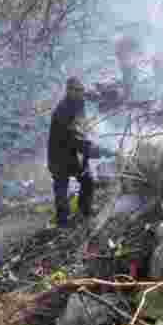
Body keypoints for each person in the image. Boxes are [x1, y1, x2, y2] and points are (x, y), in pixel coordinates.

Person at [48, 77, 107, 228]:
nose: (81, 93)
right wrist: (92, 150)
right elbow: (73, 139)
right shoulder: (62, 112)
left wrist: (90, 151)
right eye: (78, 91)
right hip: (58, 156)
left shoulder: (79, 104)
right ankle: (62, 223)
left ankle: (84, 210)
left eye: (82, 90)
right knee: (61, 188)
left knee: (88, 181)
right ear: (69, 91)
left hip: (73, 153)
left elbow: (82, 131)